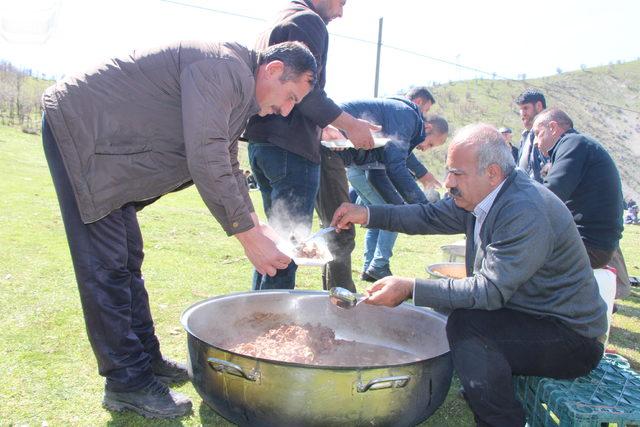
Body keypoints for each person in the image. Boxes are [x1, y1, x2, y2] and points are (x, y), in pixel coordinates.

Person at [41, 40, 318, 418]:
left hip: (107, 151)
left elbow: (227, 159)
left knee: (126, 259)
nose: (285, 111)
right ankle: (126, 382)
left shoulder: (237, 88)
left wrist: (256, 224)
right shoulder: (225, 69)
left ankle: (146, 359)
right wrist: (245, 235)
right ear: (272, 70)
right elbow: (205, 154)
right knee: (105, 267)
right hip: (82, 134)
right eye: (289, 97)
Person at [331, 124, 607, 426]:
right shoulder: (486, 197)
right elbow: (428, 215)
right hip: (528, 312)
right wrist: (368, 214)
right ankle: (481, 378)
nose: (448, 182)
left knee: (469, 325)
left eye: (457, 174)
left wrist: (410, 287)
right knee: (448, 309)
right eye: (449, 172)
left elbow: (489, 292)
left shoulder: (524, 210)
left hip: (570, 338)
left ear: (491, 173)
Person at [244, 0, 379, 292]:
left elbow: (293, 93)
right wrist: (350, 124)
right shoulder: (308, 21)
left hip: (262, 145)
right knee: (290, 248)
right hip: (292, 150)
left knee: (274, 245)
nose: (340, 12)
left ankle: (259, 315)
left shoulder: (280, 17)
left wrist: (323, 125)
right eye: (341, 2)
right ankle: (273, 326)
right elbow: (306, 89)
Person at [333, 100, 448, 280]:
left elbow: (401, 156)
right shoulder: (407, 116)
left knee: (377, 215)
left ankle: (370, 266)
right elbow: (396, 164)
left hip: (358, 167)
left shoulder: (401, 116)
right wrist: (424, 206)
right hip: (362, 166)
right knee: (392, 215)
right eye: (431, 144)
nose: (426, 149)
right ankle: (378, 265)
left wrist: (423, 176)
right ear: (428, 127)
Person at [532, 108, 630, 299]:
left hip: (590, 244)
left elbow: (551, 194)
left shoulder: (573, 143)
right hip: (594, 242)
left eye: (538, 133)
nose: (536, 142)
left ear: (553, 127)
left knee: (522, 255)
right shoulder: (578, 146)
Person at [515, 88, 549, 182]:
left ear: (538, 106)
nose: (522, 114)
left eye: (525, 108)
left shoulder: (551, 133)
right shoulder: (525, 136)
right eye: (520, 109)